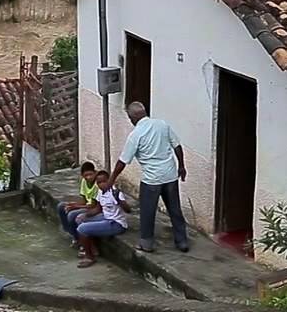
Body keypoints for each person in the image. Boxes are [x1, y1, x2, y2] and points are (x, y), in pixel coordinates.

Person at [112, 101, 189, 253]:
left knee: (148, 211)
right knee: (175, 209)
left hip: (151, 180)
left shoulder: (135, 135)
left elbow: (123, 161)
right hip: (170, 176)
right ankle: (182, 242)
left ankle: (146, 243)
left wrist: (111, 179)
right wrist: (181, 166)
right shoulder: (162, 125)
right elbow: (177, 146)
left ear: (131, 118)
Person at [75, 170, 130, 268]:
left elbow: (128, 210)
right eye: (99, 183)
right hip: (106, 217)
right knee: (79, 219)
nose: (102, 185)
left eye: (104, 182)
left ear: (109, 181)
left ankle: (89, 257)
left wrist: (119, 199)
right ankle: (93, 248)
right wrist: (86, 215)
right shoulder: (100, 192)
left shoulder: (115, 192)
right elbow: (98, 209)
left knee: (82, 229)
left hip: (116, 223)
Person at [56, 161, 99, 242]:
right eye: (86, 175)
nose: (89, 177)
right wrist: (72, 204)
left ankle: (77, 239)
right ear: (82, 176)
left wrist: (75, 207)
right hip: (86, 205)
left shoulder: (97, 184)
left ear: (95, 173)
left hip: (93, 208)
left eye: (91, 174)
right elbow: (84, 201)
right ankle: (70, 232)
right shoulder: (84, 181)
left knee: (72, 215)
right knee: (61, 206)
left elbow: (92, 205)